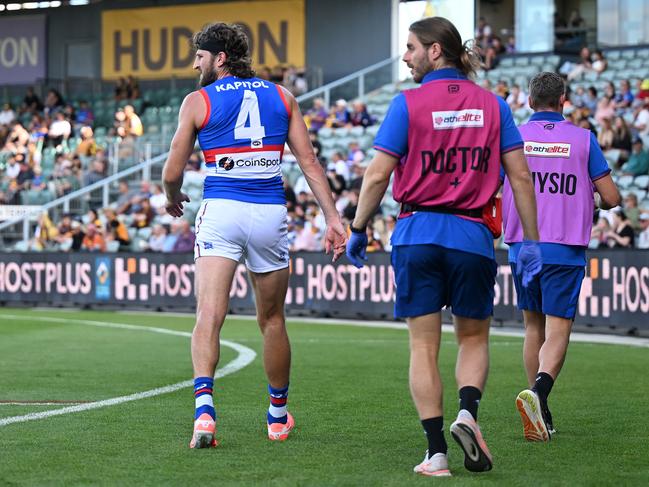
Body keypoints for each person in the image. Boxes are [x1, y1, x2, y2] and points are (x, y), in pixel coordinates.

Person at [346, 17, 541, 477]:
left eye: (411, 47)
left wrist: (358, 227)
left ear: (436, 51)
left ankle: (436, 454)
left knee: (423, 347)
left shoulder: (407, 103)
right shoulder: (494, 106)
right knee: (473, 338)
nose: (406, 56)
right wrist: (528, 241)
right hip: (472, 236)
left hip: (417, 233)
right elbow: (521, 177)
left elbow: (376, 175)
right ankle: (468, 414)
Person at [161, 22, 347, 449]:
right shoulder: (283, 96)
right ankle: (278, 417)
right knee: (273, 320)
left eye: (200, 56)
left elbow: (172, 173)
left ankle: (205, 414)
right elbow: (310, 163)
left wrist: (173, 197)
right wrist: (334, 219)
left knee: (209, 316)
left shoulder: (197, 100)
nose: (196, 63)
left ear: (220, 58)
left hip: (221, 210)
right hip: (268, 212)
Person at [501, 72, 620, 442]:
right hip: (564, 249)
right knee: (557, 331)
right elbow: (613, 197)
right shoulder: (583, 139)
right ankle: (538, 393)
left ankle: (540, 408)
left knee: (532, 328)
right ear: (563, 100)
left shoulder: (513, 136)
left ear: (531, 101)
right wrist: (592, 200)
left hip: (523, 246)